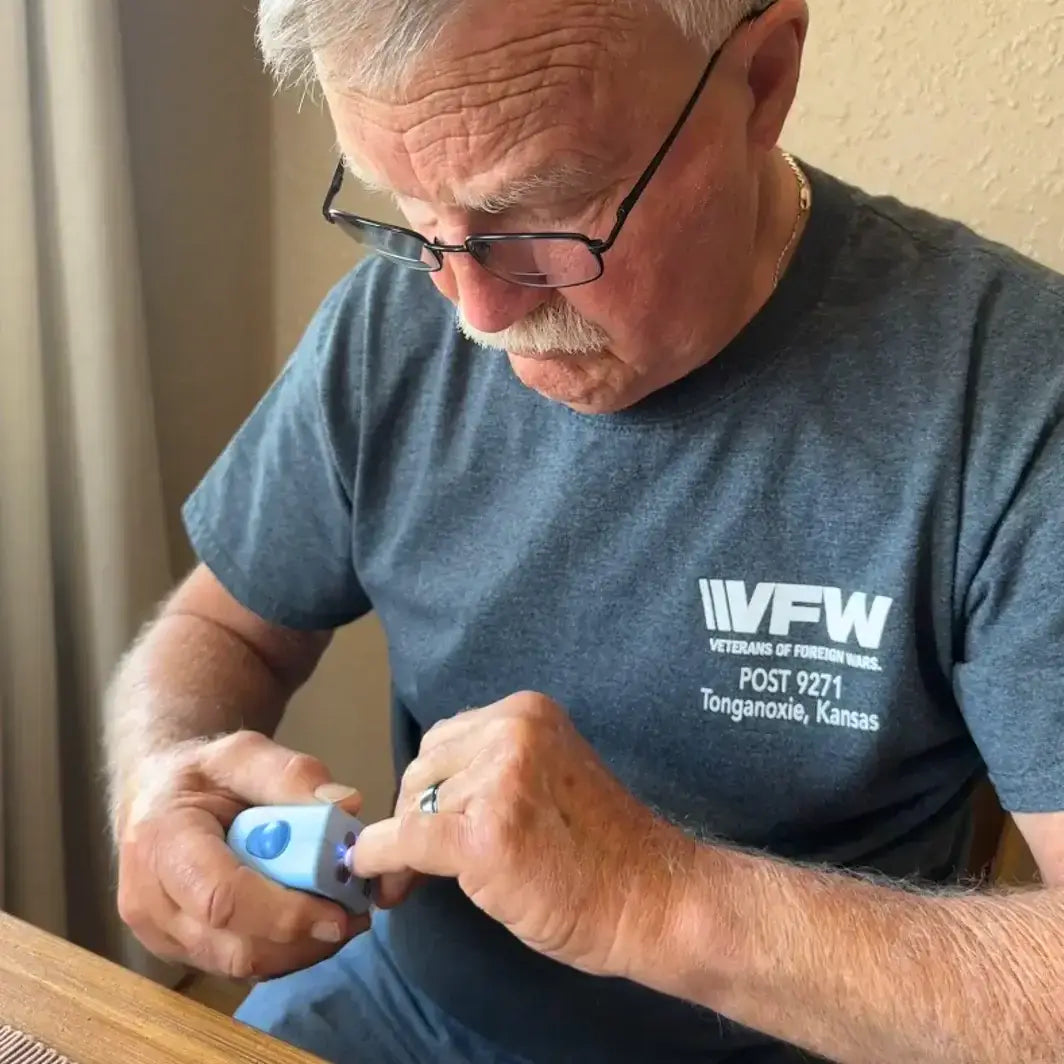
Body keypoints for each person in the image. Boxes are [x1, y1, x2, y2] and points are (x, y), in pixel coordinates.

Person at [103, 0, 1064, 1060]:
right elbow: (223, 631)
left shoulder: (1012, 402)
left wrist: (654, 900)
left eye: (541, 209)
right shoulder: (390, 325)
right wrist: (162, 770)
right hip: (404, 1003)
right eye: (411, 210)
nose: (474, 310)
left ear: (761, 78)